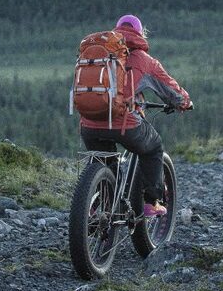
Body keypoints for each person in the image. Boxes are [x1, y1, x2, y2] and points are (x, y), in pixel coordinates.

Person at [79, 14, 192, 216]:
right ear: (140, 34)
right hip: (124, 124)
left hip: (89, 124)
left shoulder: (100, 54)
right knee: (154, 147)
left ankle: (99, 205)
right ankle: (151, 201)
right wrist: (184, 102)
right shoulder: (144, 60)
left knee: (104, 161)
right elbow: (171, 91)